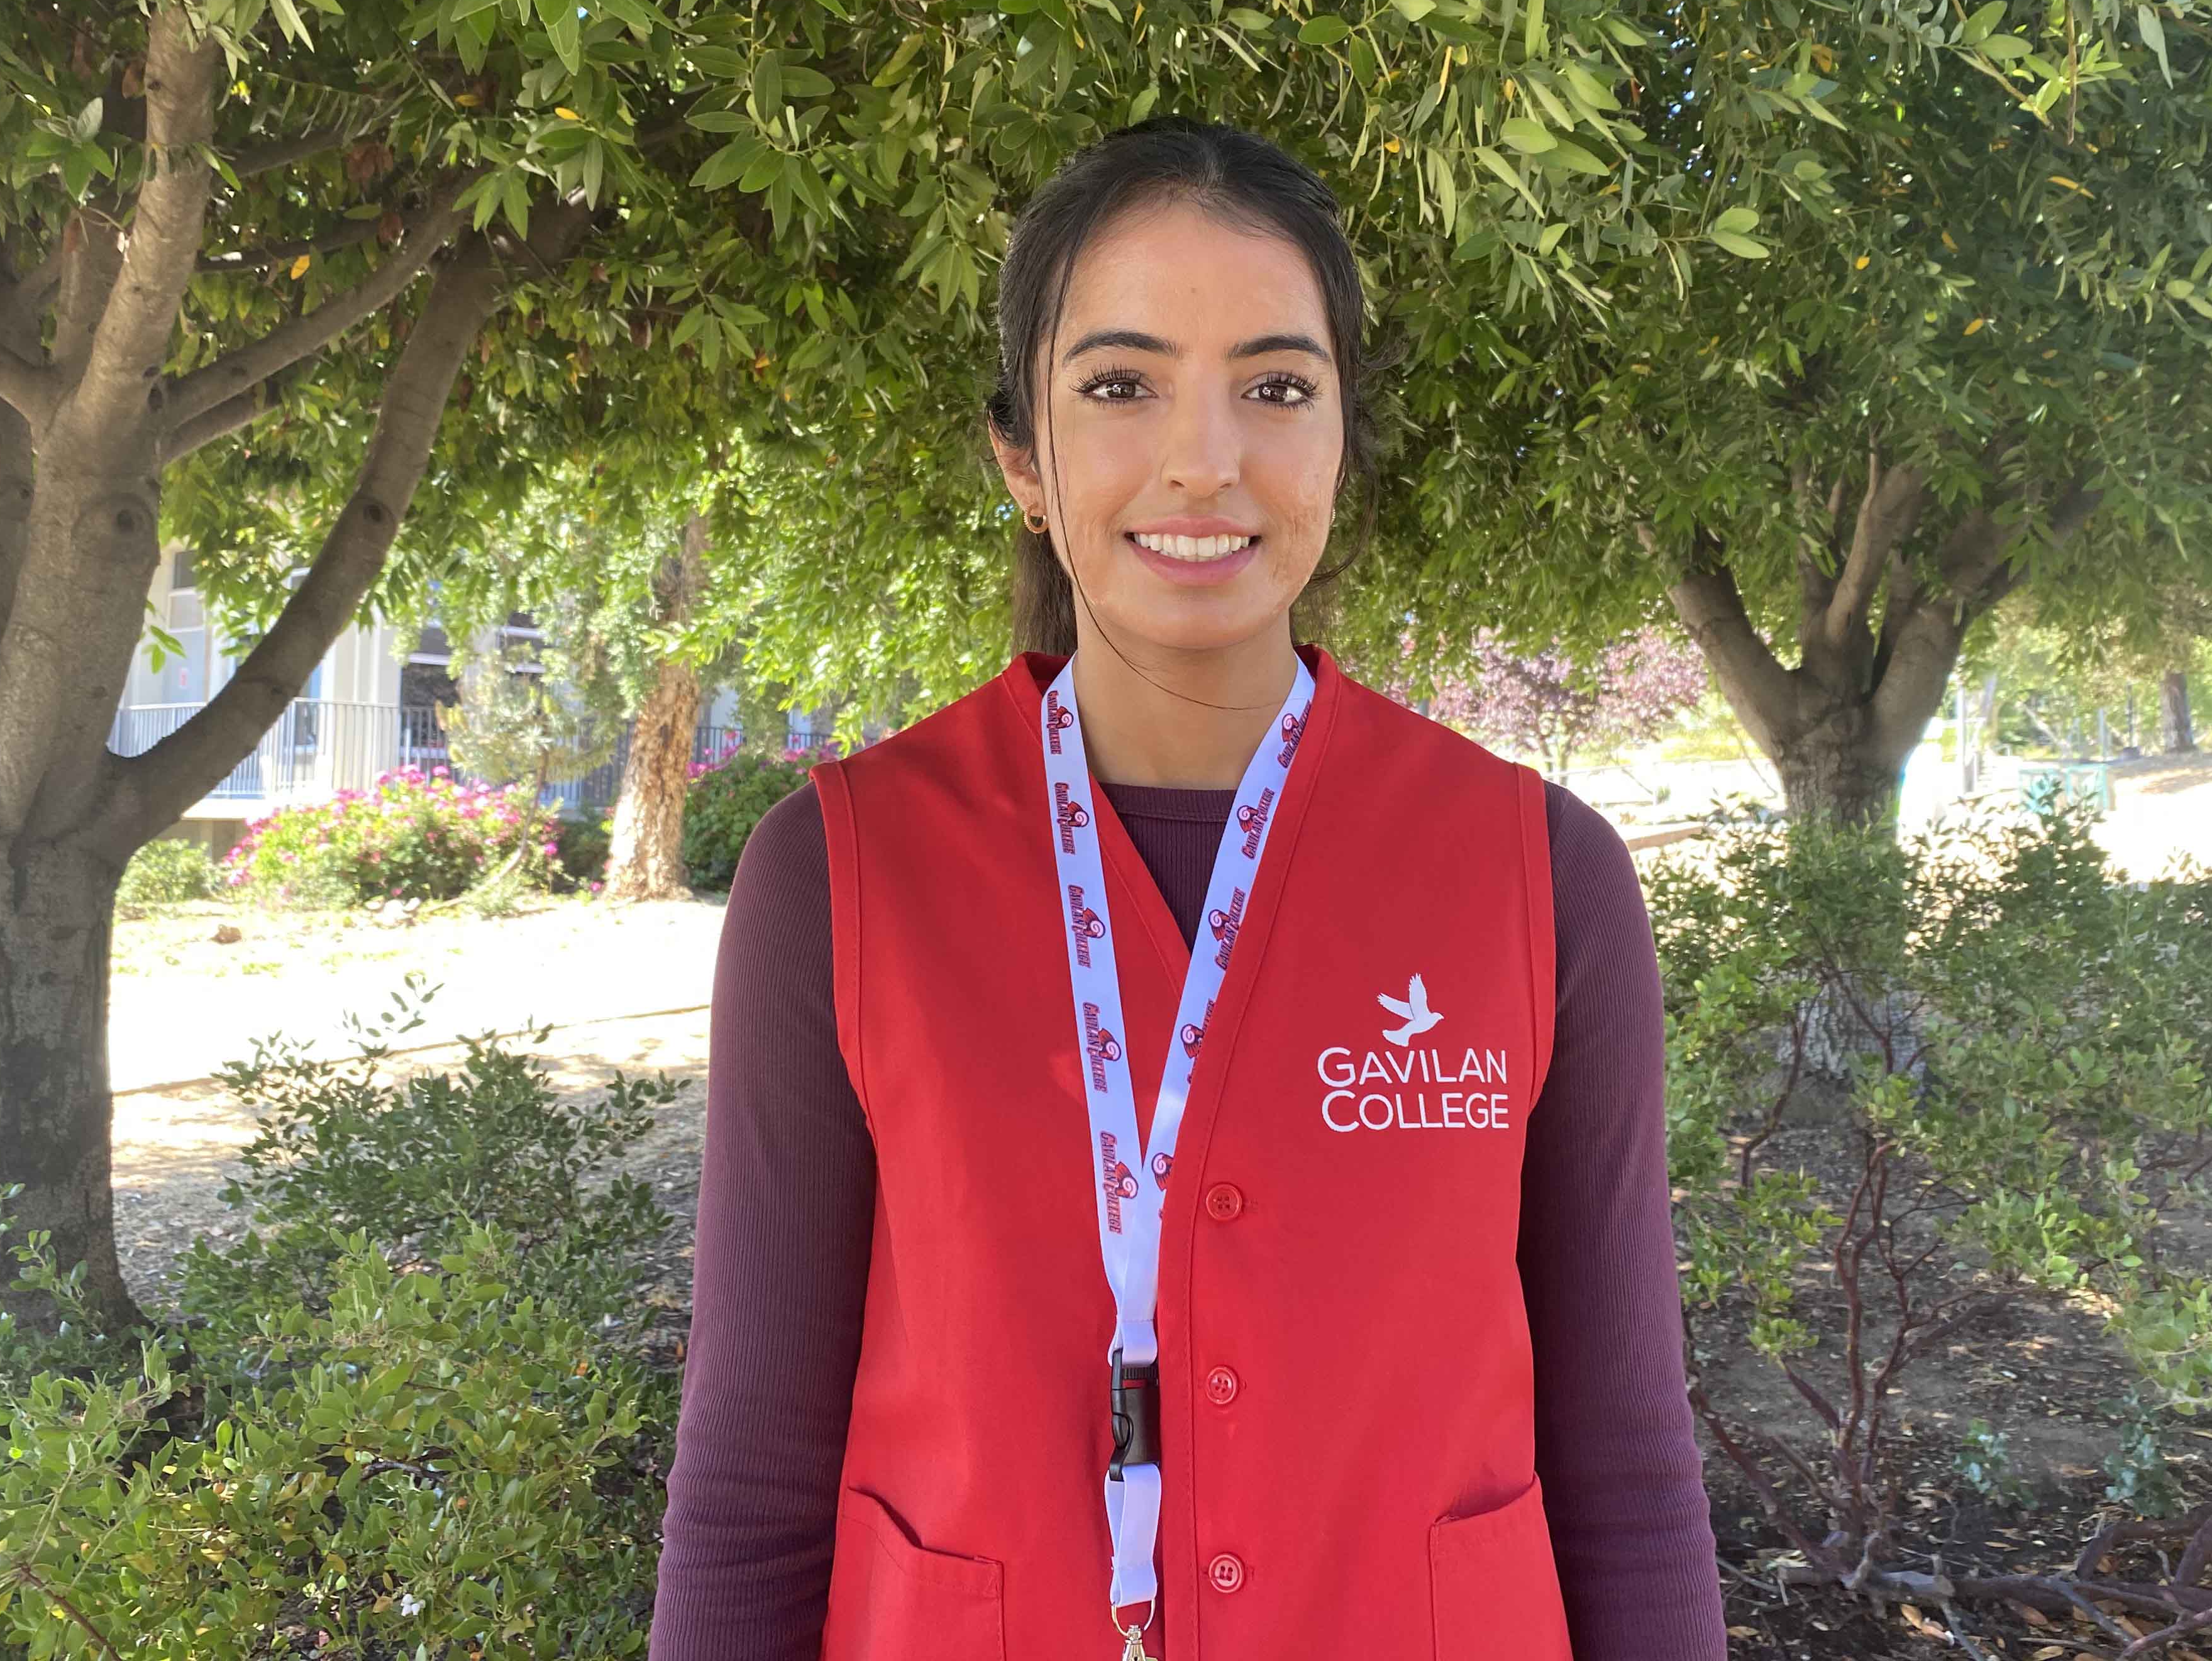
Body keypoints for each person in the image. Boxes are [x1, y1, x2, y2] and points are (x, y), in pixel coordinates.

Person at [646, 118, 1726, 1660]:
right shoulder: (842, 876)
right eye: (1120, 385)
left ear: (1344, 433)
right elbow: (754, 1485)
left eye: (1276, 387)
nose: (1204, 459)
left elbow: (1626, 1469)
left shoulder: (1539, 878)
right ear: (1022, 452)